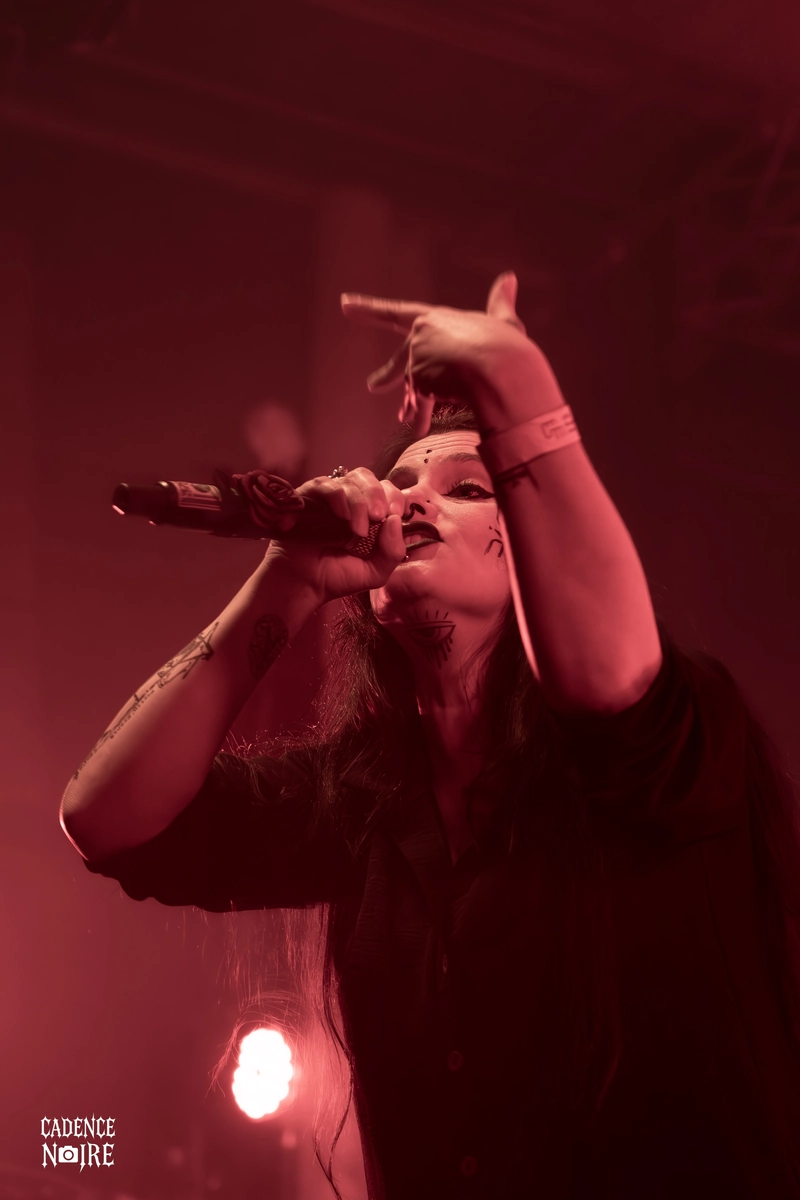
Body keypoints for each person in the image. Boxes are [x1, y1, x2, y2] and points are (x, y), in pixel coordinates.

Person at [61, 273, 800, 1199]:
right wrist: (288, 578)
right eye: (401, 482)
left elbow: (608, 686)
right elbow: (108, 819)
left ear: (535, 548)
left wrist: (519, 391)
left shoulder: (676, 730)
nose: (409, 502)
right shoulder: (364, 799)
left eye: (468, 487)